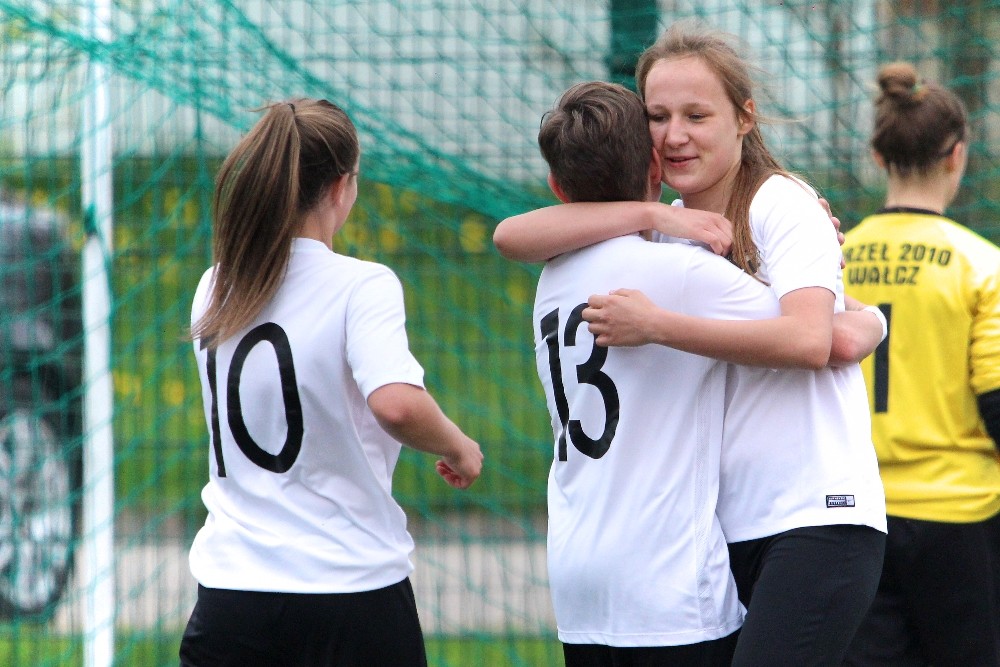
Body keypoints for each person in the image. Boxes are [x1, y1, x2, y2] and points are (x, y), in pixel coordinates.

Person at [494, 23, 887, 666]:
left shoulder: (782, 202)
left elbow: (817, 339)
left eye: (696, 115)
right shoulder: (669, 235)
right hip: (727, 520)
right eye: (658, 116)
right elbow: (511, 235)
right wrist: (653, 213)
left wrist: (659, 325)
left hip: (813, 512)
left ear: (744, 118)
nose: (675, 134)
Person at [178, 98, 483, 667]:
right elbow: (395, 404)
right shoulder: (361, 286)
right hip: (347, 592)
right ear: (342, 186)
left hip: (231, 600)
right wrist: (458, 446)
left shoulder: (215, 284)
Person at [531, 79, 781, 667]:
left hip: (578, 582)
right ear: (655, 169)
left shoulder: (551, 277)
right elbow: (811, 332)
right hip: (667, 589)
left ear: (556, 188)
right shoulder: (679, 271)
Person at [841, 62, 1000, 667]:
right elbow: (996, 401)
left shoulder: (832, 259)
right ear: (957, 155)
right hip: (959, 515)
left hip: (854, 509)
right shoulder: (981, 264)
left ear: (878, 157)